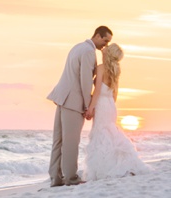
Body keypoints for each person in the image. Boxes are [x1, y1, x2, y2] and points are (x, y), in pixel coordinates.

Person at [47, 26, 112, 187]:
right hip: (73, 101)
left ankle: (55, 178)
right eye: (105, 40)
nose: (106, 45)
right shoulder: (89, 52)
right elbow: (85, 81)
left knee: (58, 140)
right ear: (97, 35)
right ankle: (70, 178)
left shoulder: (77, 47)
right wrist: (87, 105)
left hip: (62, 97)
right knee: (71, 141)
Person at [82, 43, 149, 180]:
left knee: (101, 133)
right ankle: (118, 163)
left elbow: (97, 91)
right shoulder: (116, 69)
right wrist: (110, 104)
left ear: (109, 53)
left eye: (107, 48)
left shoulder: (101, 68)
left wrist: (91, 108)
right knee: (111, 132)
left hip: (101, 103)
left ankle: (104, 167)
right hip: (111, 105)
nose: (104, 49)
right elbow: (115, 93)